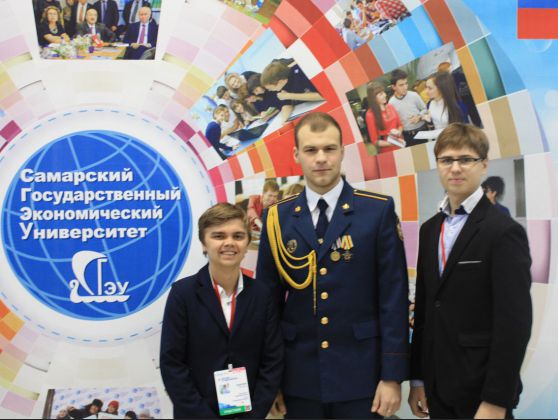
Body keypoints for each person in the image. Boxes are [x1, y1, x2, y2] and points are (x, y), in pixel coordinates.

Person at [256, 112, 409, 418]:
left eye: (329, 148)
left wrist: (392, 376)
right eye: (311, 150)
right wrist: (269, 380)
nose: (321, 158)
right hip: (298, 377)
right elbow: (267, 305)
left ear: (342, 151)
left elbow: (393, 299)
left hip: (362, 375)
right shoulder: (277, 218)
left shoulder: (376, 211)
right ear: (297, 155)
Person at [408, 123, 532, 419]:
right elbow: (425, 311)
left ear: (484, 165)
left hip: (481, 390)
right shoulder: (429, 230)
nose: (455, 168)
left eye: (465, 159)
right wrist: (418, 380)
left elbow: (514, 324)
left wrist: (496, 400)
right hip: (438, 387)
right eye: (446, 160)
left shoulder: (503, 232)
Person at [160, 203, 283, 419]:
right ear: (203, 244)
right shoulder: (182, 294)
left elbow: (272, 362)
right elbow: (172, 364)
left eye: (238, 236)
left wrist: (253, 416)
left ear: (247, 243)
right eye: (218, 236)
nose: (229, 243)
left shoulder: (263, 295)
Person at [261, 60, 324, 124]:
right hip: (308, 109)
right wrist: (285, 120)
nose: (270, 91)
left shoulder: (301, 73)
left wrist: (289, 95)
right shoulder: (282, 86)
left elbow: (323, 95)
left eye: (271, 88)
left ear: (280, 82)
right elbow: (286, 104)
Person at [388, 69, 427, 146]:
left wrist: (419, 117)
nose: (405, 87)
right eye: (401, 85)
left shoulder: (414, 95)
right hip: (407, 137)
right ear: (393, 87)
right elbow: (394, 123)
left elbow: (425, 109)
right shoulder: (391, 103)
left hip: (422, 131)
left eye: (406, 83)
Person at [365, 81, 405, 153]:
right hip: (387, 149)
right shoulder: (370, 115)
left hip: (400, 143)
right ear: (374, 98)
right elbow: (374, 141)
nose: (385, 95)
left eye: (384, 92)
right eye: (381, 94)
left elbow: (400, 125)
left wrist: (398, 132)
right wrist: (393, 142)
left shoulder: (390, 106)